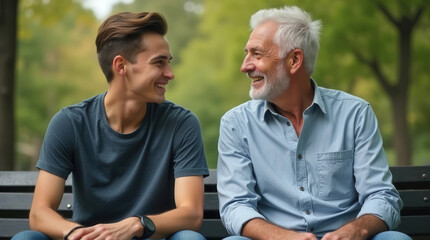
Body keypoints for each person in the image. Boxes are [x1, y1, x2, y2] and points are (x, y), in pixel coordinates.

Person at [217, 6, 411, 240]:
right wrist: (282, 237)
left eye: (257, 54)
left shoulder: (355, 113)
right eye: (247, 54)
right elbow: (236, 205)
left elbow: (381, 195)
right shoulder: (236, 123)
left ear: (294, 60)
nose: (245, 65)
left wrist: (355, 231)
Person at [12, 11, 209, 240]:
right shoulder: (69, 123)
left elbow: (191, 213)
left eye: (168, 62)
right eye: (159, 62)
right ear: (121, 66)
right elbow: (40, 213)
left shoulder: (181, 124)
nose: (170, 74)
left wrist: (137, 224)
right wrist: (76, 234)